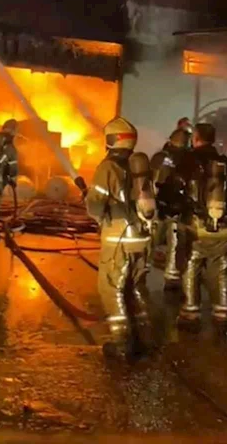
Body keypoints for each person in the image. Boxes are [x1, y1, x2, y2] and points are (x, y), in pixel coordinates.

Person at [85, 116, 156, 360]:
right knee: (136, 287)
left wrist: (93, 208)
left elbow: (96, 205)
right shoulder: (139, 167)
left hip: (119, 238)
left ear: (111, 140)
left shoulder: (108, 167)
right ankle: (146, 337)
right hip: (141, 237)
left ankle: (122, 343)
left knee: (111, 288)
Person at [177, 122, 227, 331]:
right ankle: (222, 313)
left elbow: (174, 188)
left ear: (196, 139)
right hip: (224, 227)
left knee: (191, 265)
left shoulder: (188, 160)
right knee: (221, 268)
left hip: (195, 225)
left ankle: (190, 313)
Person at [150, 127, 192, 289]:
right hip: (174, 207)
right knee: (175, 244)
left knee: (150, 241)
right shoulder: (187, 159)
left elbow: (151, 181)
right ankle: (172, 277)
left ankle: (138, 273)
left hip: (159, 207)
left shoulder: (160, 157)